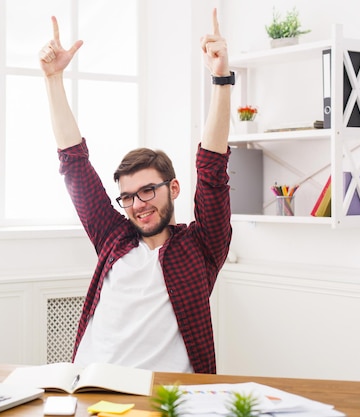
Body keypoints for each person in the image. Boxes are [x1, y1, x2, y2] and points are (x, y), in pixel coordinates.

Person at [38, 9, 232, 374]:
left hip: (163, 399)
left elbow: (212, 171)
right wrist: (53, 80)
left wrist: (221, 79)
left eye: (147, 191)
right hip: (89, 388)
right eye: (127, 197)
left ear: (173, 188)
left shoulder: (202, 247)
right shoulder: (113, 237)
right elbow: (75, 164)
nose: (138, 205)